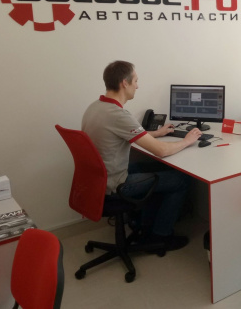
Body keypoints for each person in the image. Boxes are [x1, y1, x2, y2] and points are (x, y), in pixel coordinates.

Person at [82, 60, 202, 251]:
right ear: (125, 83)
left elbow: (125, 134)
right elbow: (161, 151)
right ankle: (160, 235)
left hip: (99, 180)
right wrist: (188, 140)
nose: (138, 86)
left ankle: (145, 224)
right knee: (181, 179)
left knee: (155, 168)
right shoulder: (118, 115)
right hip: (116, 185)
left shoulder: (96, 107)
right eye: (136, 80)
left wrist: (156, 133)